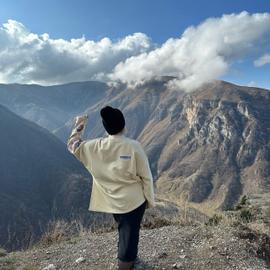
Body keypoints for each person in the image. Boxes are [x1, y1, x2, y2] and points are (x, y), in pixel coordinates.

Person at [67, 105, 155, 270]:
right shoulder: (133, 146)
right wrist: (149, 200)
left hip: (112, 201)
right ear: (124, 125)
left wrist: (80, 124)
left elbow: (72, 144)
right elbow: (147, 177)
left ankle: (129, 257)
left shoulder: (93, 147)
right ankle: (125, 264)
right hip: (134, 201)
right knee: (130, 236)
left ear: (106, 128)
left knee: (124, 229)